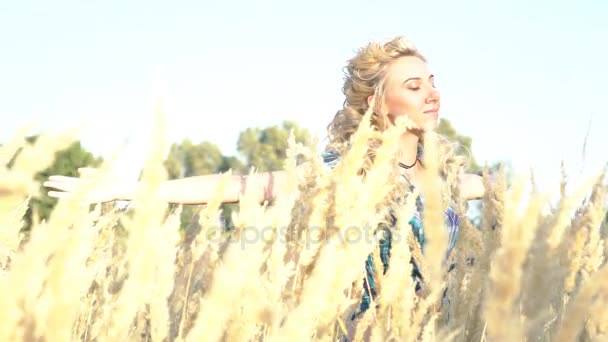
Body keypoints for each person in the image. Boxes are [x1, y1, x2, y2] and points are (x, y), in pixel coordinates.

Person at [43, 35, 485, 317]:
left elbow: (493, 190)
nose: (432, 93)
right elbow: (240, 186)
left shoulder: (443, 178)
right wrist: (128, 189)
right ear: (377, 101)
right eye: (414, 86)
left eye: (431, 81)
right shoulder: (347, 173)